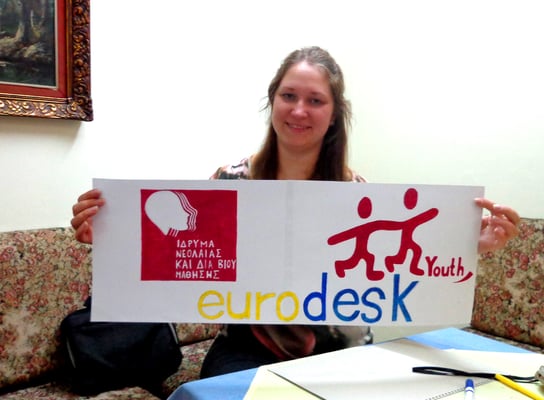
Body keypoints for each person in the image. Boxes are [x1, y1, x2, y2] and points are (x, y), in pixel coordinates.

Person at [71, 46, 521, 378]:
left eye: (315, 100)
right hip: (245, 351)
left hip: (342, 352)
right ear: (273, 102)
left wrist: (467, 245)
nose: (299, 110)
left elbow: (397, 267)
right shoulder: (230, 182)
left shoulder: (357, 194)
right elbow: (179, 261)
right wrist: (112, 237)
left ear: (334, 114)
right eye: (289, 96)